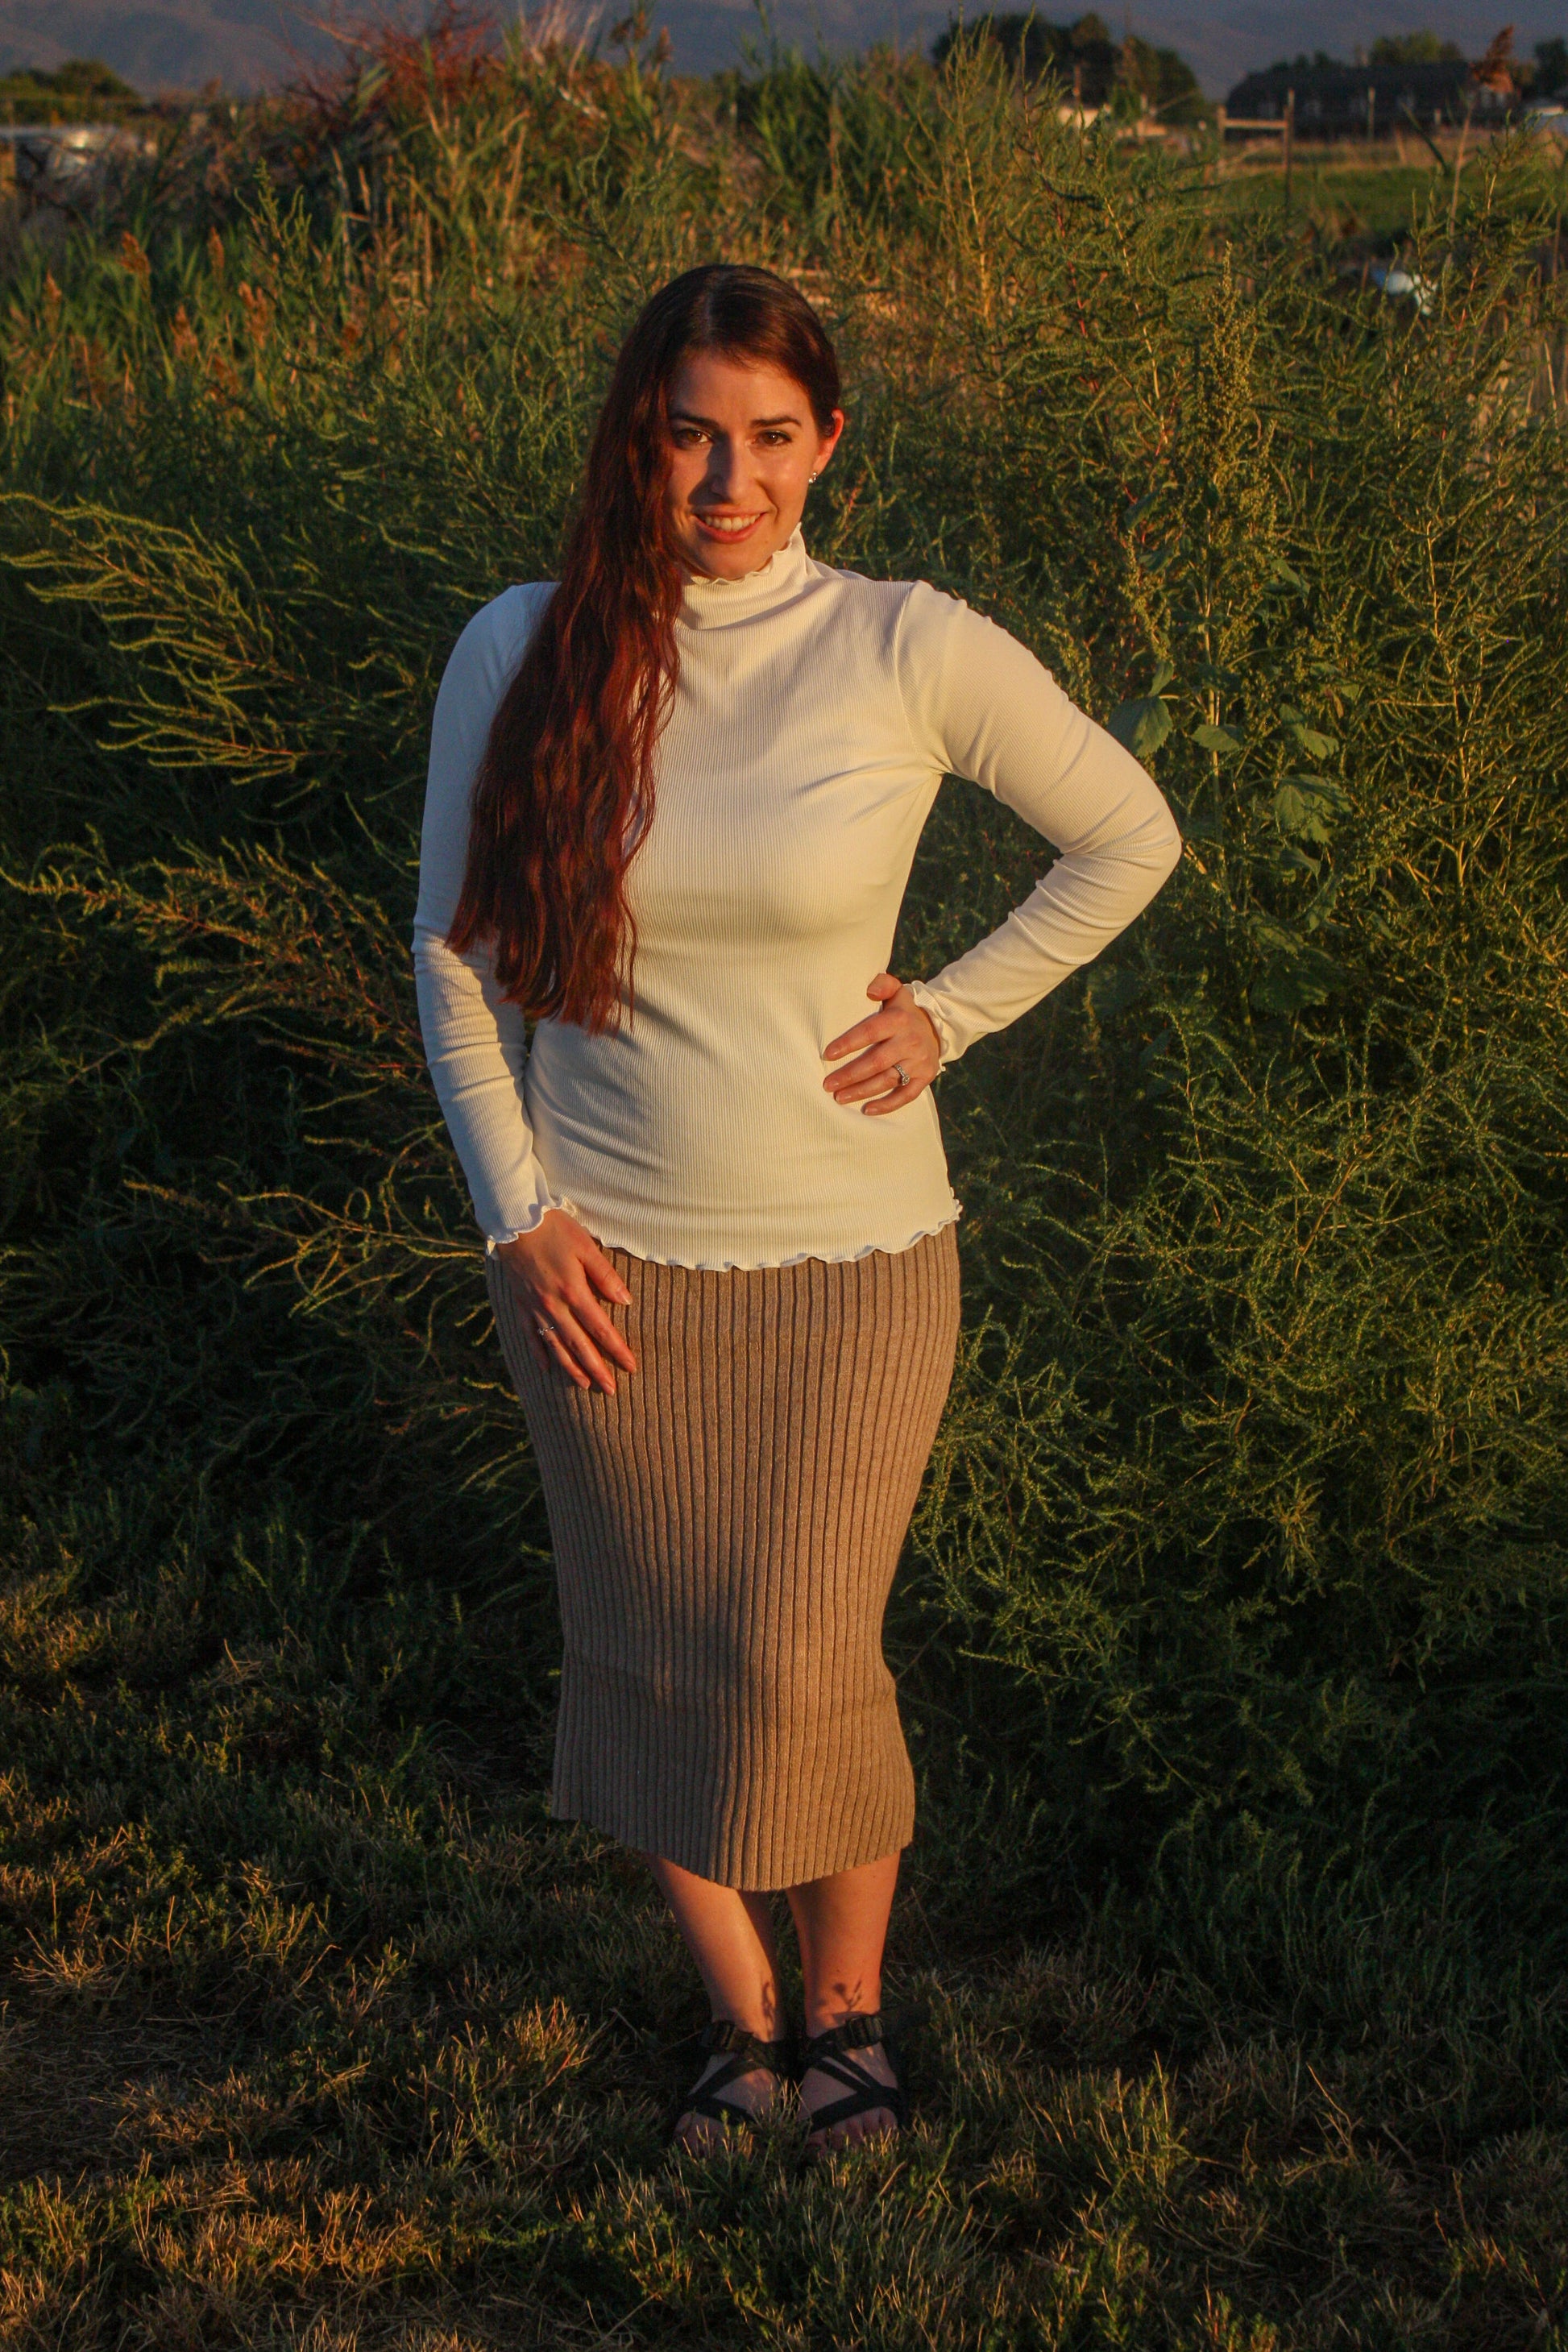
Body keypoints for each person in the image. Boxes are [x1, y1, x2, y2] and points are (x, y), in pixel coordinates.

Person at [413, 263, 1180, 2158]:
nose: (725, 479)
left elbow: (1128, 833)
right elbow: (452, 961)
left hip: (853, 1263)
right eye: (689, 433)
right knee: (649, 1645)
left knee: (802, 1648)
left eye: (768, 438)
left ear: (828, 443)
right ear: (636, 436)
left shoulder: (907, 645)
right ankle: (740, 2026)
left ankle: (849, 2020)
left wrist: (951, 1012)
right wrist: (519, 1215)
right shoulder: (519, 647)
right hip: (598, 1262)